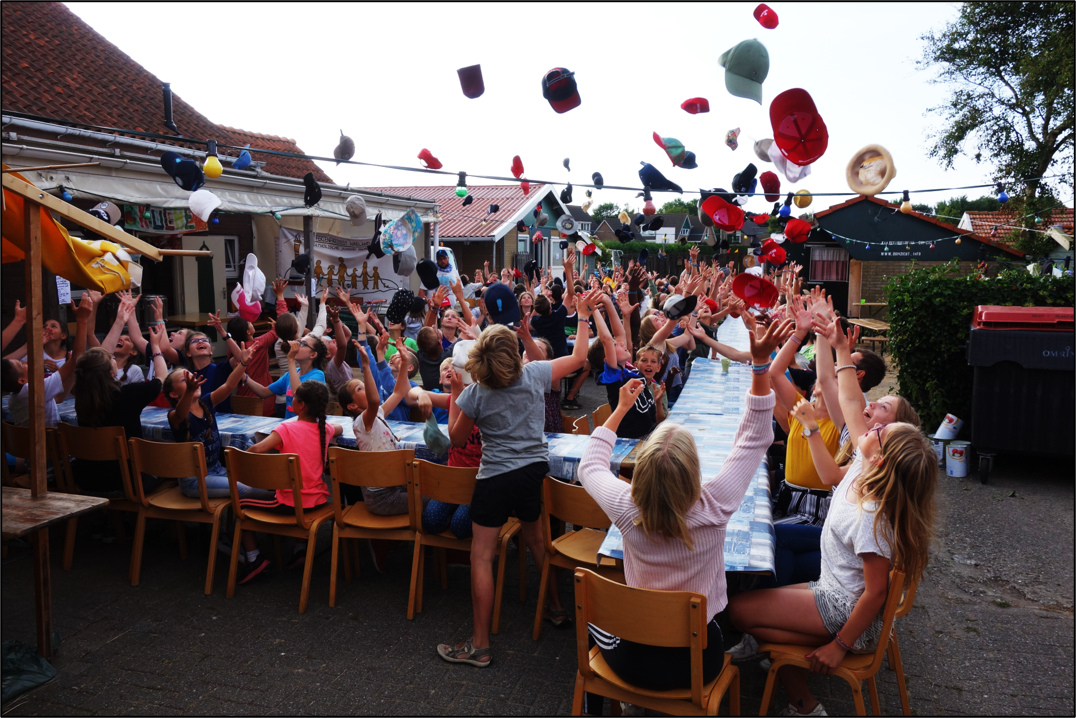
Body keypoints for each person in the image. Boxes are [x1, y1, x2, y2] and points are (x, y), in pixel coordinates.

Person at [574, 320, 791, 714]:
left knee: (594, 623)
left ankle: (600, 706)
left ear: (641, 472)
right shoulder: (715, 504)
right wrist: (759, 367)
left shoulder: (626, 507)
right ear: (695, 473)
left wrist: (620, 409)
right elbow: (756, 437)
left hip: (633, 660)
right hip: (698, 662)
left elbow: (590, 466)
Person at [726, 318, 937, 718]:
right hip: (831, 590)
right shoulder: (864, 463)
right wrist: (838, 346)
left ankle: (802, 688)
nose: (873, 429)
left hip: (844, 611)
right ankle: (795, 682)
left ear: (882, 459)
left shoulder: (872, 514)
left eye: (881, 433)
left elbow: (875, 594)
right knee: (752, 617)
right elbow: (853, 402)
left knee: (739, 612)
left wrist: (839, 644)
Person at [436, 291, 596, 668]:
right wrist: (584, 316)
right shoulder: (535, 374)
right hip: (532, 472)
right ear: (514, 353)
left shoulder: (475, 393)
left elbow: (457, 440)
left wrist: (458, 394)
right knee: (539, 542)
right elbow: (578, 358)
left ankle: (479, 644)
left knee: (482, 557)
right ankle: (556, 608)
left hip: (494, 478)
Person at [239, 380, 341, 581]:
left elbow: (258, 449)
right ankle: (299, 550)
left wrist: (239, 462)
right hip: (318, 501)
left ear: (300, 405)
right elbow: (338, 428)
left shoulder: (286, 428)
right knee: (293, 495)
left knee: (240, 505)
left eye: (294, 398)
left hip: (289, 503)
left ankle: (254, 560)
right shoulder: (325, 429)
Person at [164, 344, 272, 502]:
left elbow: (228, 386)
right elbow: (181, 413)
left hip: (217, 469)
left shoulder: (206, 403)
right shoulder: (175, 416)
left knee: (260, 478)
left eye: (192, 376)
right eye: (185, 380)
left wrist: (243, 363)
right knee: (243, 488)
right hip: (194, 479)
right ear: (173, 394)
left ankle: (279, 500)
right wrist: (189, 391)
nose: (193, 381)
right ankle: (281, 502)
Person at [71, 323, 169, 494]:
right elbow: (161, 378)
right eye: (112, 359)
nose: (114, 359)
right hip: (127, 481)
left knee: (156, 443)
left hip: (86, 479)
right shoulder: (127, 395)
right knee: (170, 458)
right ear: (111, 373)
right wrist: (154, 346)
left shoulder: (81, 400)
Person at [337, 337, 413, 516]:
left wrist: (405, 363)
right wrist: (365, 366)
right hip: (383, 497)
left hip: (392, 489)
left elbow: (399, 392)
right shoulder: (362, 422)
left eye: (363, 386)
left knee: (429, 496)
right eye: (359, 389)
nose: (365, 389)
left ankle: (387, 542)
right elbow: (374, 399)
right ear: (352, 406)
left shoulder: (376, 414)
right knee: (431, 500)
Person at [3, 293, 93, 427]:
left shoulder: (15, 398)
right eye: (22, 364)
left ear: (63, 336)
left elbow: (59, 398)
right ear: (22, 380)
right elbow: (77, 356)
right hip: (48, 445)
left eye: (53, 326)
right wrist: (82, 320)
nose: (26, 362)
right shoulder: (35, 390)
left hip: (26, 445)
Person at [243, 337, 328, 419]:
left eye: (303, 344)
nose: (298, 345)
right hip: (289, 426)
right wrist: (244, 376)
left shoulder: (318, 375)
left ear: (313, 354)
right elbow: (264, 392)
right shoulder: (291, 374)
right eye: (298, 341)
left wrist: (290, 359)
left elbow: (298, 394)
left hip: (305, 427)